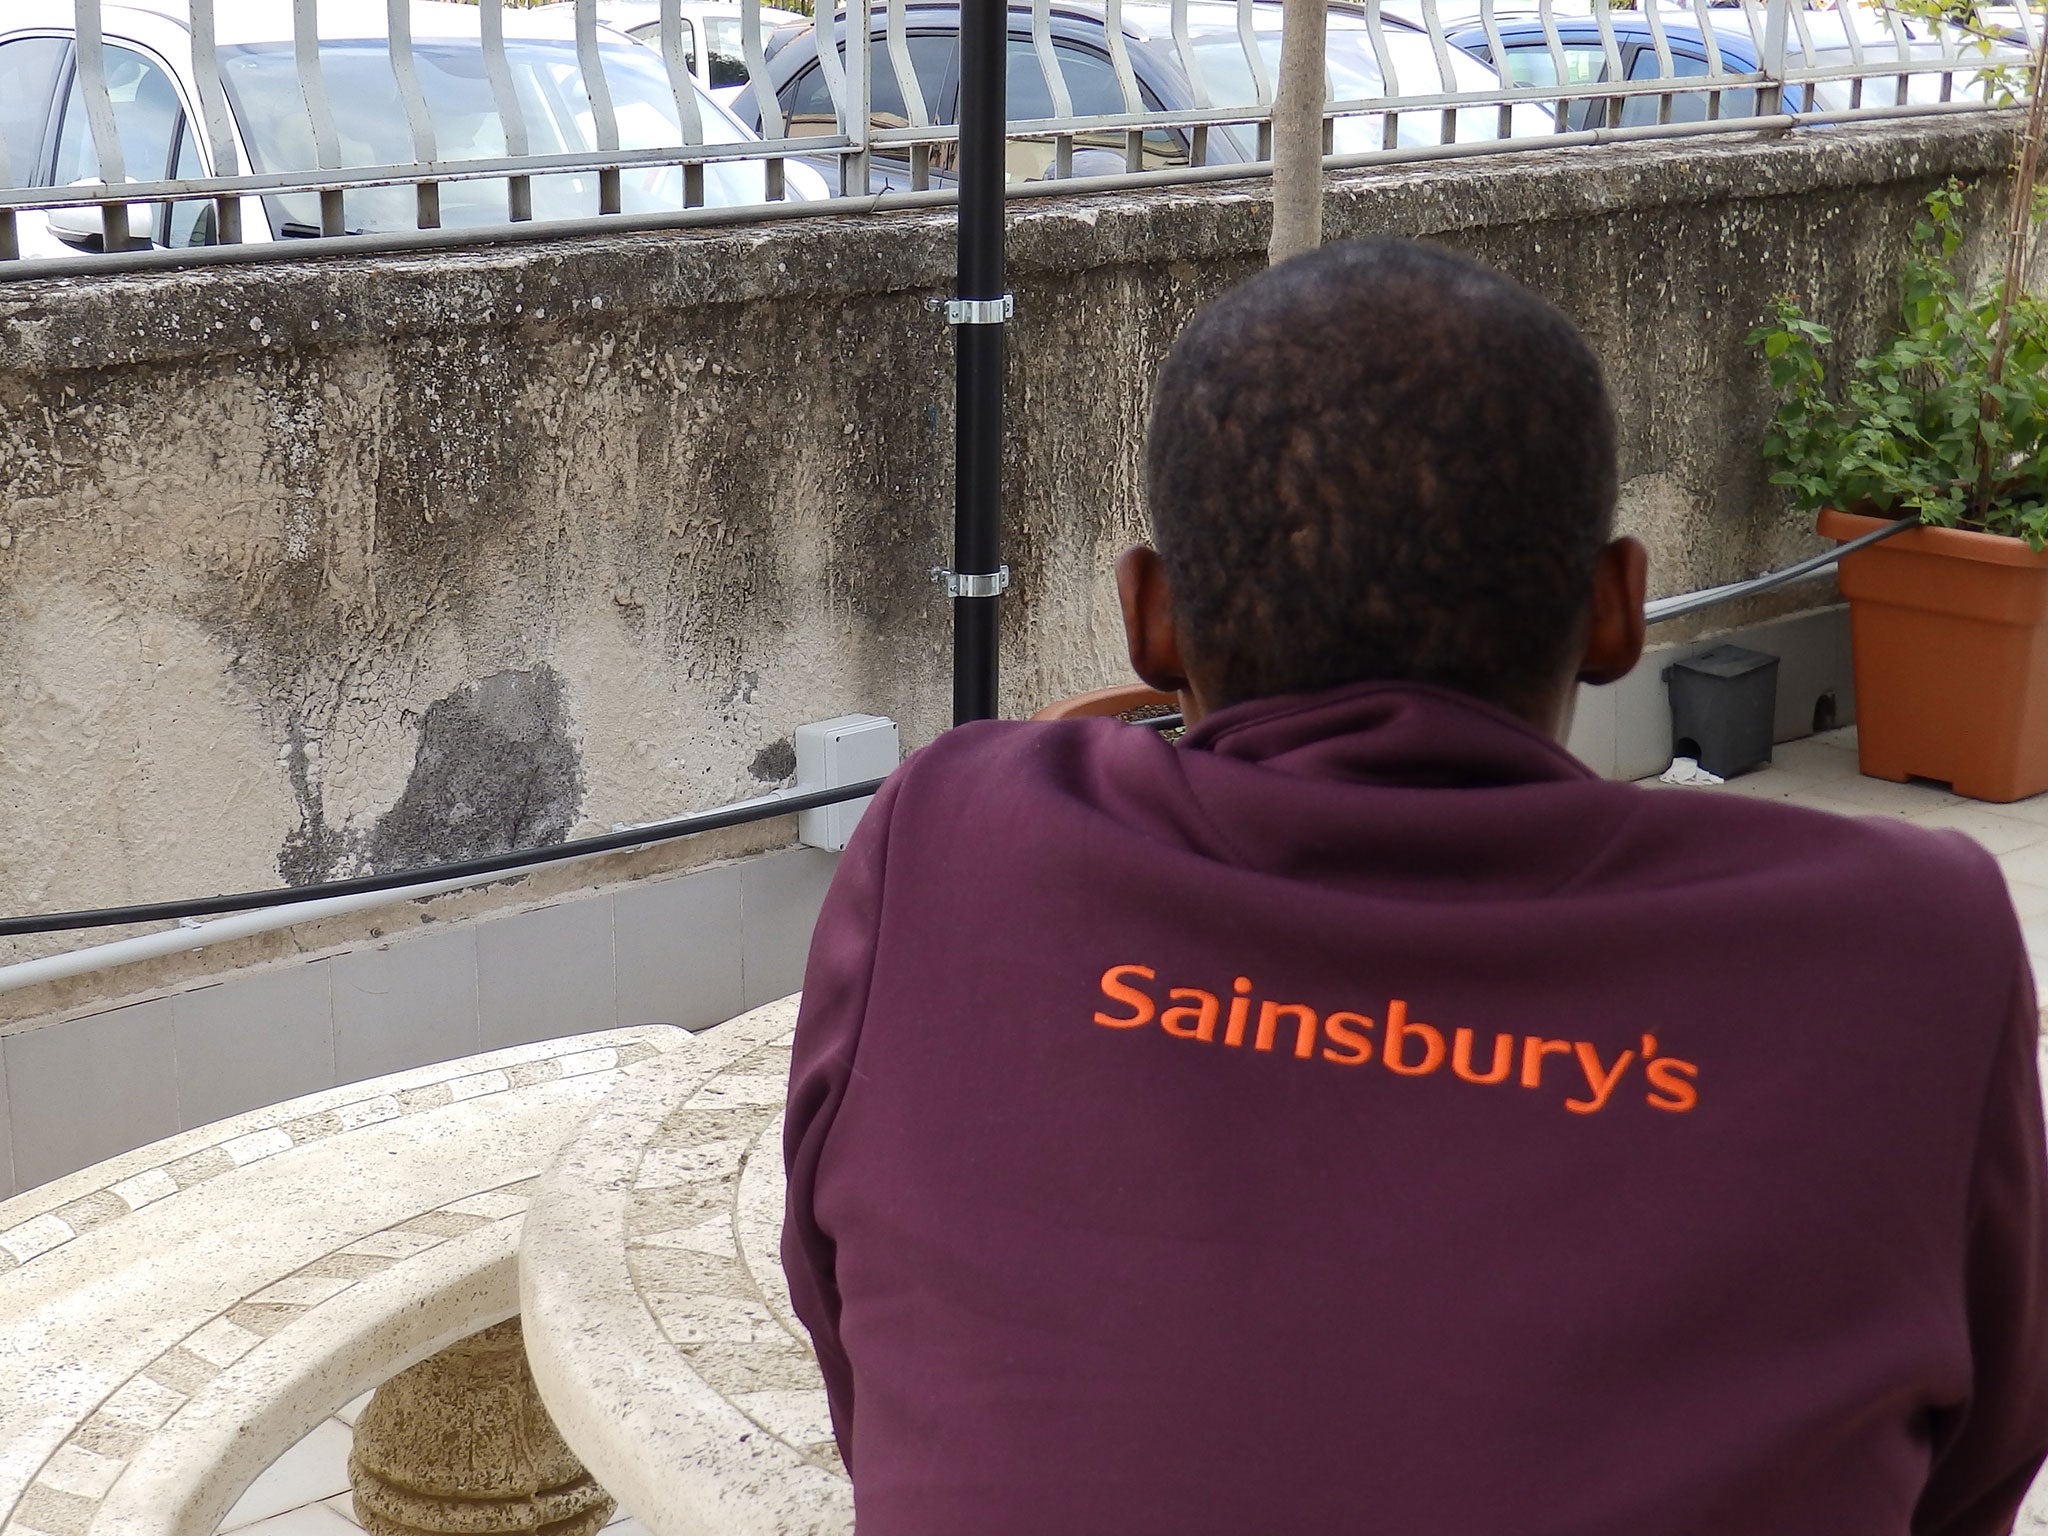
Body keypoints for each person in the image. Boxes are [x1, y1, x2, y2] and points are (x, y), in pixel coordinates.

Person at [781, 238, 2048, 1535]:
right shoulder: (1900, 955)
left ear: (1150, 624)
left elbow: (864, 1358)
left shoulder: (958, 839)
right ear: (1618, 612)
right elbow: (1966, 1474)